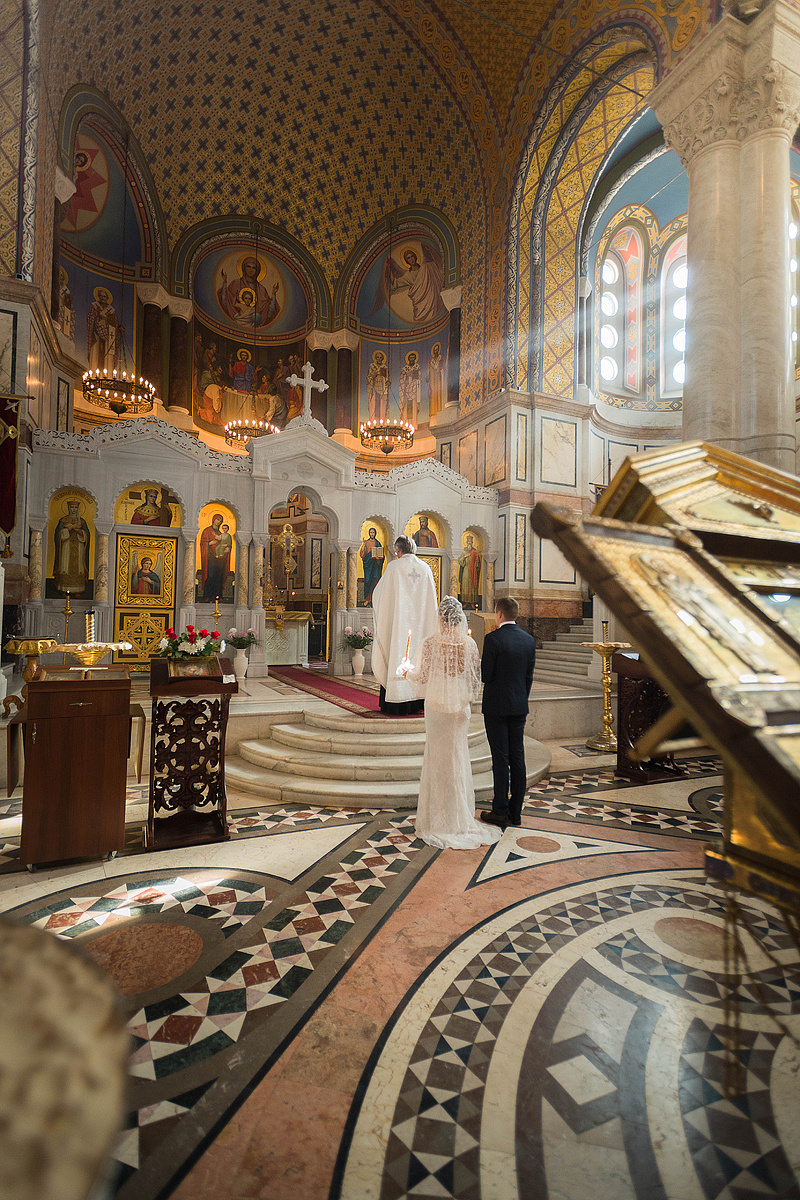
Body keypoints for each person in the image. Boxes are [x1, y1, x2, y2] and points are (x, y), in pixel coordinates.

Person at [405, 596, 501, 851]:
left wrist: (406, 672)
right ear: (459, 619)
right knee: (457, 757)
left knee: (437, 759)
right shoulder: (469, 644)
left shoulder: (429, 644)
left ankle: (437, 819)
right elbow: (473, 679)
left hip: (437, 707)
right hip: (460, 709)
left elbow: (422, 677)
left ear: (440, 618)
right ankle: (459, 817)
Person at [480, 596, 537, 831]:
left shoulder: (492, 639)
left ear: (499, 614)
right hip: (519, 705)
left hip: (496, 707)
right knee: (518, 758)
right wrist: (520, 698)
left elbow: (486, 676)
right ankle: (516, 812)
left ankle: (500, 811)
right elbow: (528, 677)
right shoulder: (529, 640)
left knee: (500, 759)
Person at [371, 534, 438, 715]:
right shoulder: (425, 569)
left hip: (398, 626)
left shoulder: (394, 567)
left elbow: (379, 596)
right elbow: (432, 602)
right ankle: (417, 701)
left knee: (397, 654)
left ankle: (396, 702)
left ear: (398, 551)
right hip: (422, 627)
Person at [53, 499, 90, 594]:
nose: (74, 509)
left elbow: (87, 535)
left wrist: (78, 530)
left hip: (79, 546)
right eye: (72, 507)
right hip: (66, 546)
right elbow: (58, 534)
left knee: (79, 567)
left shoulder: (82, 521)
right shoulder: (63, 520)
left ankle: (78, 591)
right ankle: (63, 590)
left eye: (75, 507)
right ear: (69, 508)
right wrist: (69, 528)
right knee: (65, 565)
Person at [359, 527, 384, 606]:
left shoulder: (378, 543)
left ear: (375, 533)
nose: (372, 534)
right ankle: (367, 599)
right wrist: (363, 545)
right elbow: (362, 555)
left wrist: (379, 558)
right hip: (368, 565)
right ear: (369, 533)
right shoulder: (366, 542)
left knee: (375, 580)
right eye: (371, 532)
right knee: (367, 581)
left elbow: (382, 555)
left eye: (373, 532)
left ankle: (374, 599)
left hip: (376, 565)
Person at [458, 533, 482, 610]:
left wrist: (477, 562)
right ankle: (465, 602)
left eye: (470, 541)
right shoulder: (464, 551)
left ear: (472, 542)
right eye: (468, 541)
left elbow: (478, 562)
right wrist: (465, 557)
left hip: (473, 572)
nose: (469, 542)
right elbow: (460, 561)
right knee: (465, 586)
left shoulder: (475, 551)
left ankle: (472, 602)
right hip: (465, 570)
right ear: (466, 542)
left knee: (472, 587)